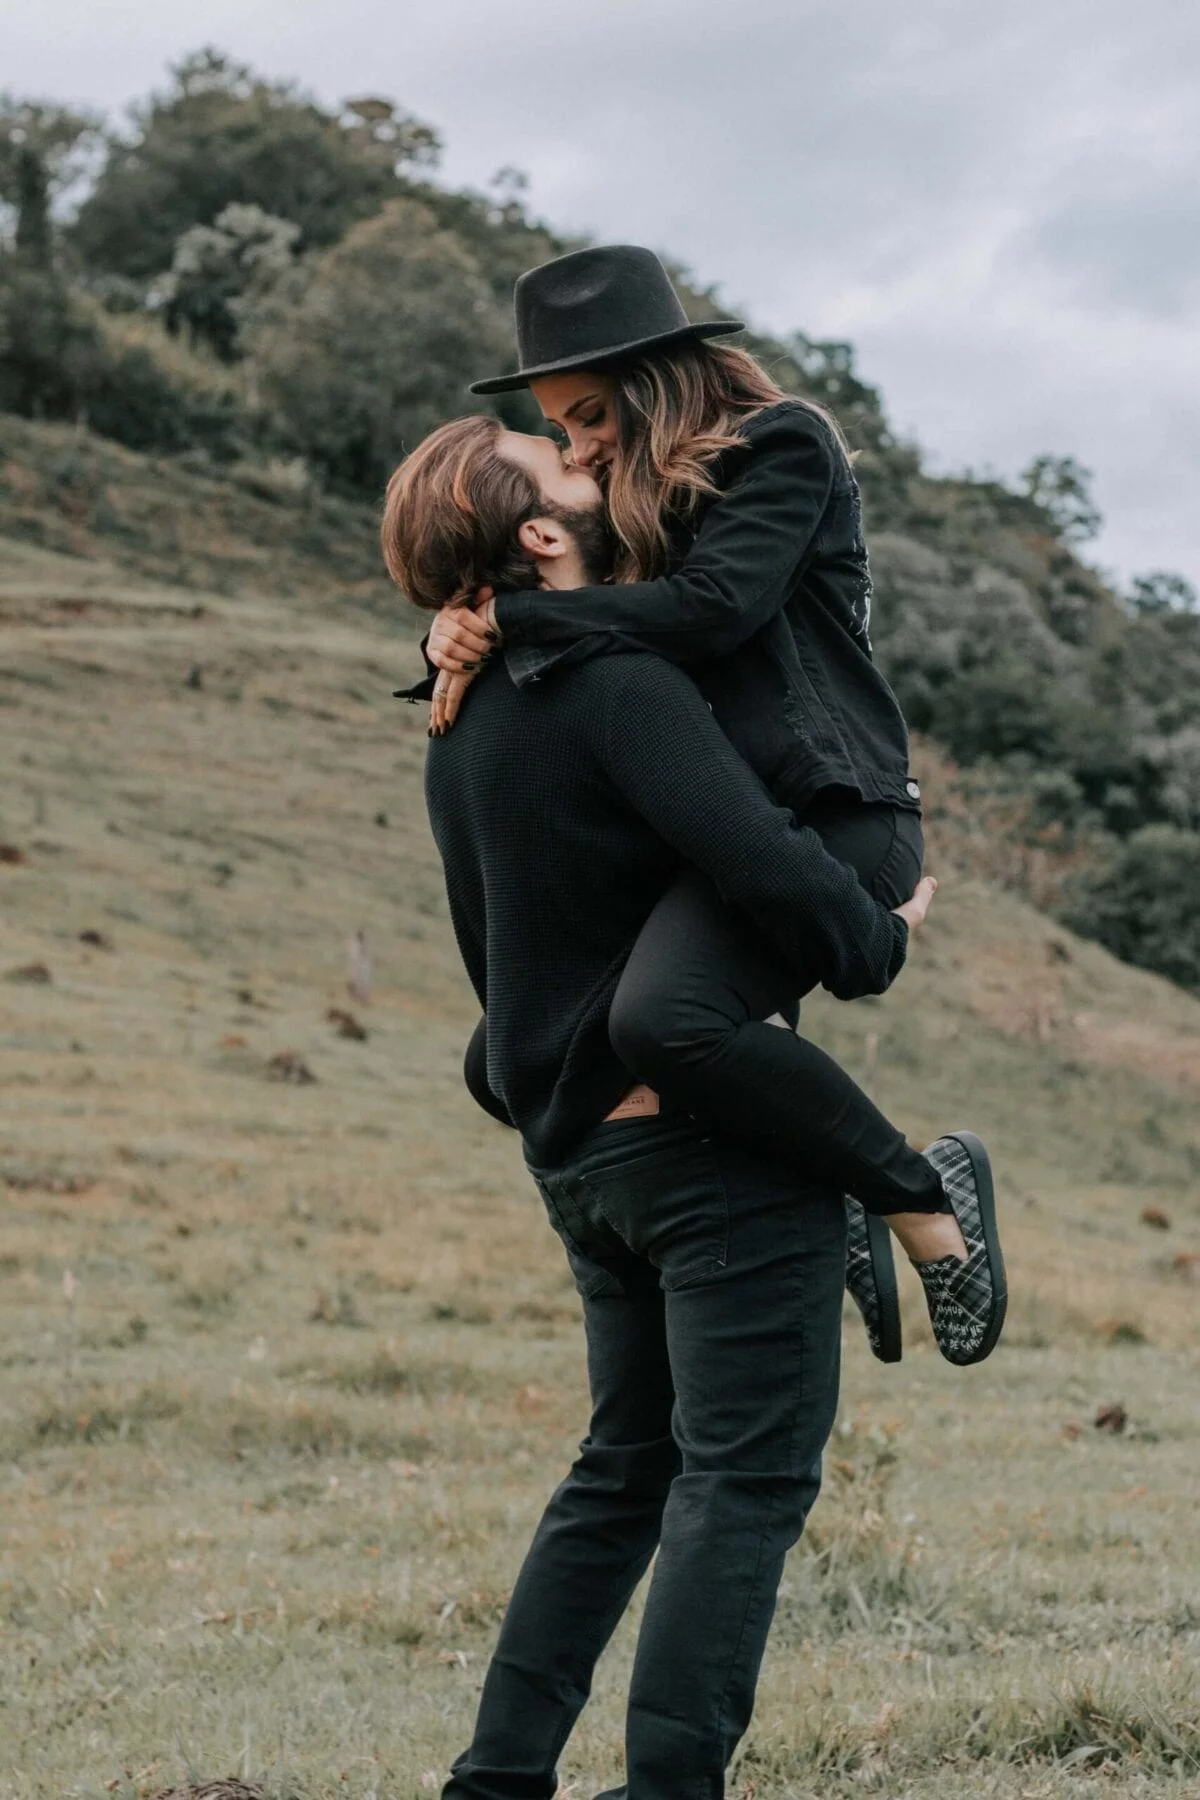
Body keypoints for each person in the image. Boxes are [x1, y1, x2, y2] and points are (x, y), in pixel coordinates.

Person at [382, 411, 945, 1800]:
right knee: (741, 1486)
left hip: (585, 1167)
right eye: (554, 456)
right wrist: (884, 922)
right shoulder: (618, 688)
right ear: (536, 530)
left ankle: (497, 1780)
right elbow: (753, 853)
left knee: (620, 1476)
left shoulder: (459, 720)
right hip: (709, 1153)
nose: (583, 457)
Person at [421, 245, 1006, 1368]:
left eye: (589, 415)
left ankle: (925, 1202)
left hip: (835, 812)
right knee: (512, 1056)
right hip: (717, 828)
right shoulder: (635, 495)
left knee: (658, 1023)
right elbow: (587, 595)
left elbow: (712, 611)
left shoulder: (781, 447)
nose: (580, 444)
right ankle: (805, 1168)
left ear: (656, 377)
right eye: (560, 426)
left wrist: (518, 622)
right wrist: (458, 621)